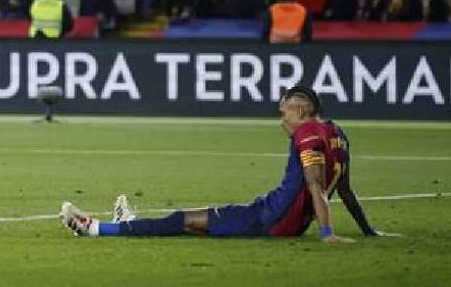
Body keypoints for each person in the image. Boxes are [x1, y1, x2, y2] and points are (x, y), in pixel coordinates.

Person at [60, 85, 396, 242]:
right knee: (191, 227)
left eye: (284, 114)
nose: (282, 122)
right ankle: (130, 221)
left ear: (303, 111)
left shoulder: (306, 133)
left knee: (182, 220)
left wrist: (327, 235)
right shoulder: (337, 133)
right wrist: (369, 231)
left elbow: (315, 186)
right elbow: (346, 191)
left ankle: (95, 228)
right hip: (278, 220)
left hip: (266, 219)